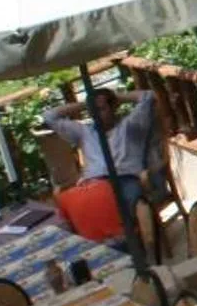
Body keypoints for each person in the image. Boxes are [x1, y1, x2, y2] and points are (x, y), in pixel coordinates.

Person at [41, 88, 157, 218]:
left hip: (124, 179)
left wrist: (113, 96)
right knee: (74, 209)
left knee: (130, 202)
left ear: (113, 107)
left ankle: (136, 236)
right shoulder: (84, 132)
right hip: (94, 184)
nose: (96, 115)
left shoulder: (130, 126)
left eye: (101, 109)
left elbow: (147, 96)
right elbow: (49, 116)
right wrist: (87, 103)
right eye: (93, 111)